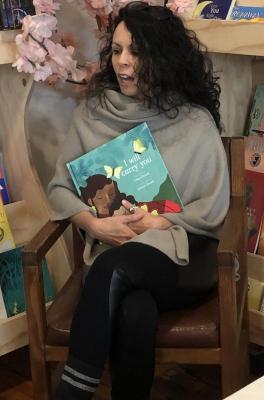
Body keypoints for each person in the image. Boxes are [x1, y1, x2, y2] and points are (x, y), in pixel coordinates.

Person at [47, 3, 229, 399]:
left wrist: (159, 223)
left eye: (137, 51)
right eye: (116, 50)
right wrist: (94, 225)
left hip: (185, 257)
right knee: (136, 310)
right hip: (118, 249)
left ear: (163, 57)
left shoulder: (194, 121)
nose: (124, 63)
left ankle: (71, 392)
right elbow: (60, 188)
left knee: (111, 269)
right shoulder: (92, 114)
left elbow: (213, 210)